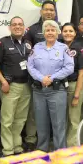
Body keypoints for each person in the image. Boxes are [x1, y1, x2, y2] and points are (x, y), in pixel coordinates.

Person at [27, 20, 74, 152]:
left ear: (58, 32)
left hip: (57, 91)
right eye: (47, 30)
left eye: (53, 30)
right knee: (41, 123)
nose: (50, 32)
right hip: (39, 91)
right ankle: (42, 150)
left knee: (59, 124)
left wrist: (52, 78)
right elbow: (30, 66)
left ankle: (60, 152)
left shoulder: (63, 48)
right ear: (43, 33)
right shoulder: (36, 48)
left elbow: (69, 67)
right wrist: (41, 78)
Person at [23, 0, 61, 152]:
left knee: (55, 114)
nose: (49, 12)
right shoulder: (32, 30)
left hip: (56, 81)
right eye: (46, 9)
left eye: (52, 10)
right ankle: (32, 140)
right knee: (34, 113)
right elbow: (28, 54)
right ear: (41, 12)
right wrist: (39, 76)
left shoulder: (60, 28)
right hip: (37, 80)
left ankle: (52, 142)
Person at [0, 16, 32, 156]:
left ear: (24, 27)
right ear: (9, 27)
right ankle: (8, 150)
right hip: (10, 86)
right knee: (7, 120)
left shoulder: (28, 43)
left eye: (20, 24)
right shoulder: (2, 43)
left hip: (26, 85)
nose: (17, 27)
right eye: (14, 25)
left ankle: (17, 146)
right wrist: (3, 82)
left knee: (20, 119)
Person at [61, 23, 83, 147]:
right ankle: (63, 144)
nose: (68, 33)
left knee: (74, 119)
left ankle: (72, 146)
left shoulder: (80, 48)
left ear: (75, 33)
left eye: (70, 31)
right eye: (65, 31)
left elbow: (82, 73)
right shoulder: (58, 47)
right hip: (61, 87)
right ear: (61, 33)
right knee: (63, 119)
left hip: (74, 86)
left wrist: (77, 95)